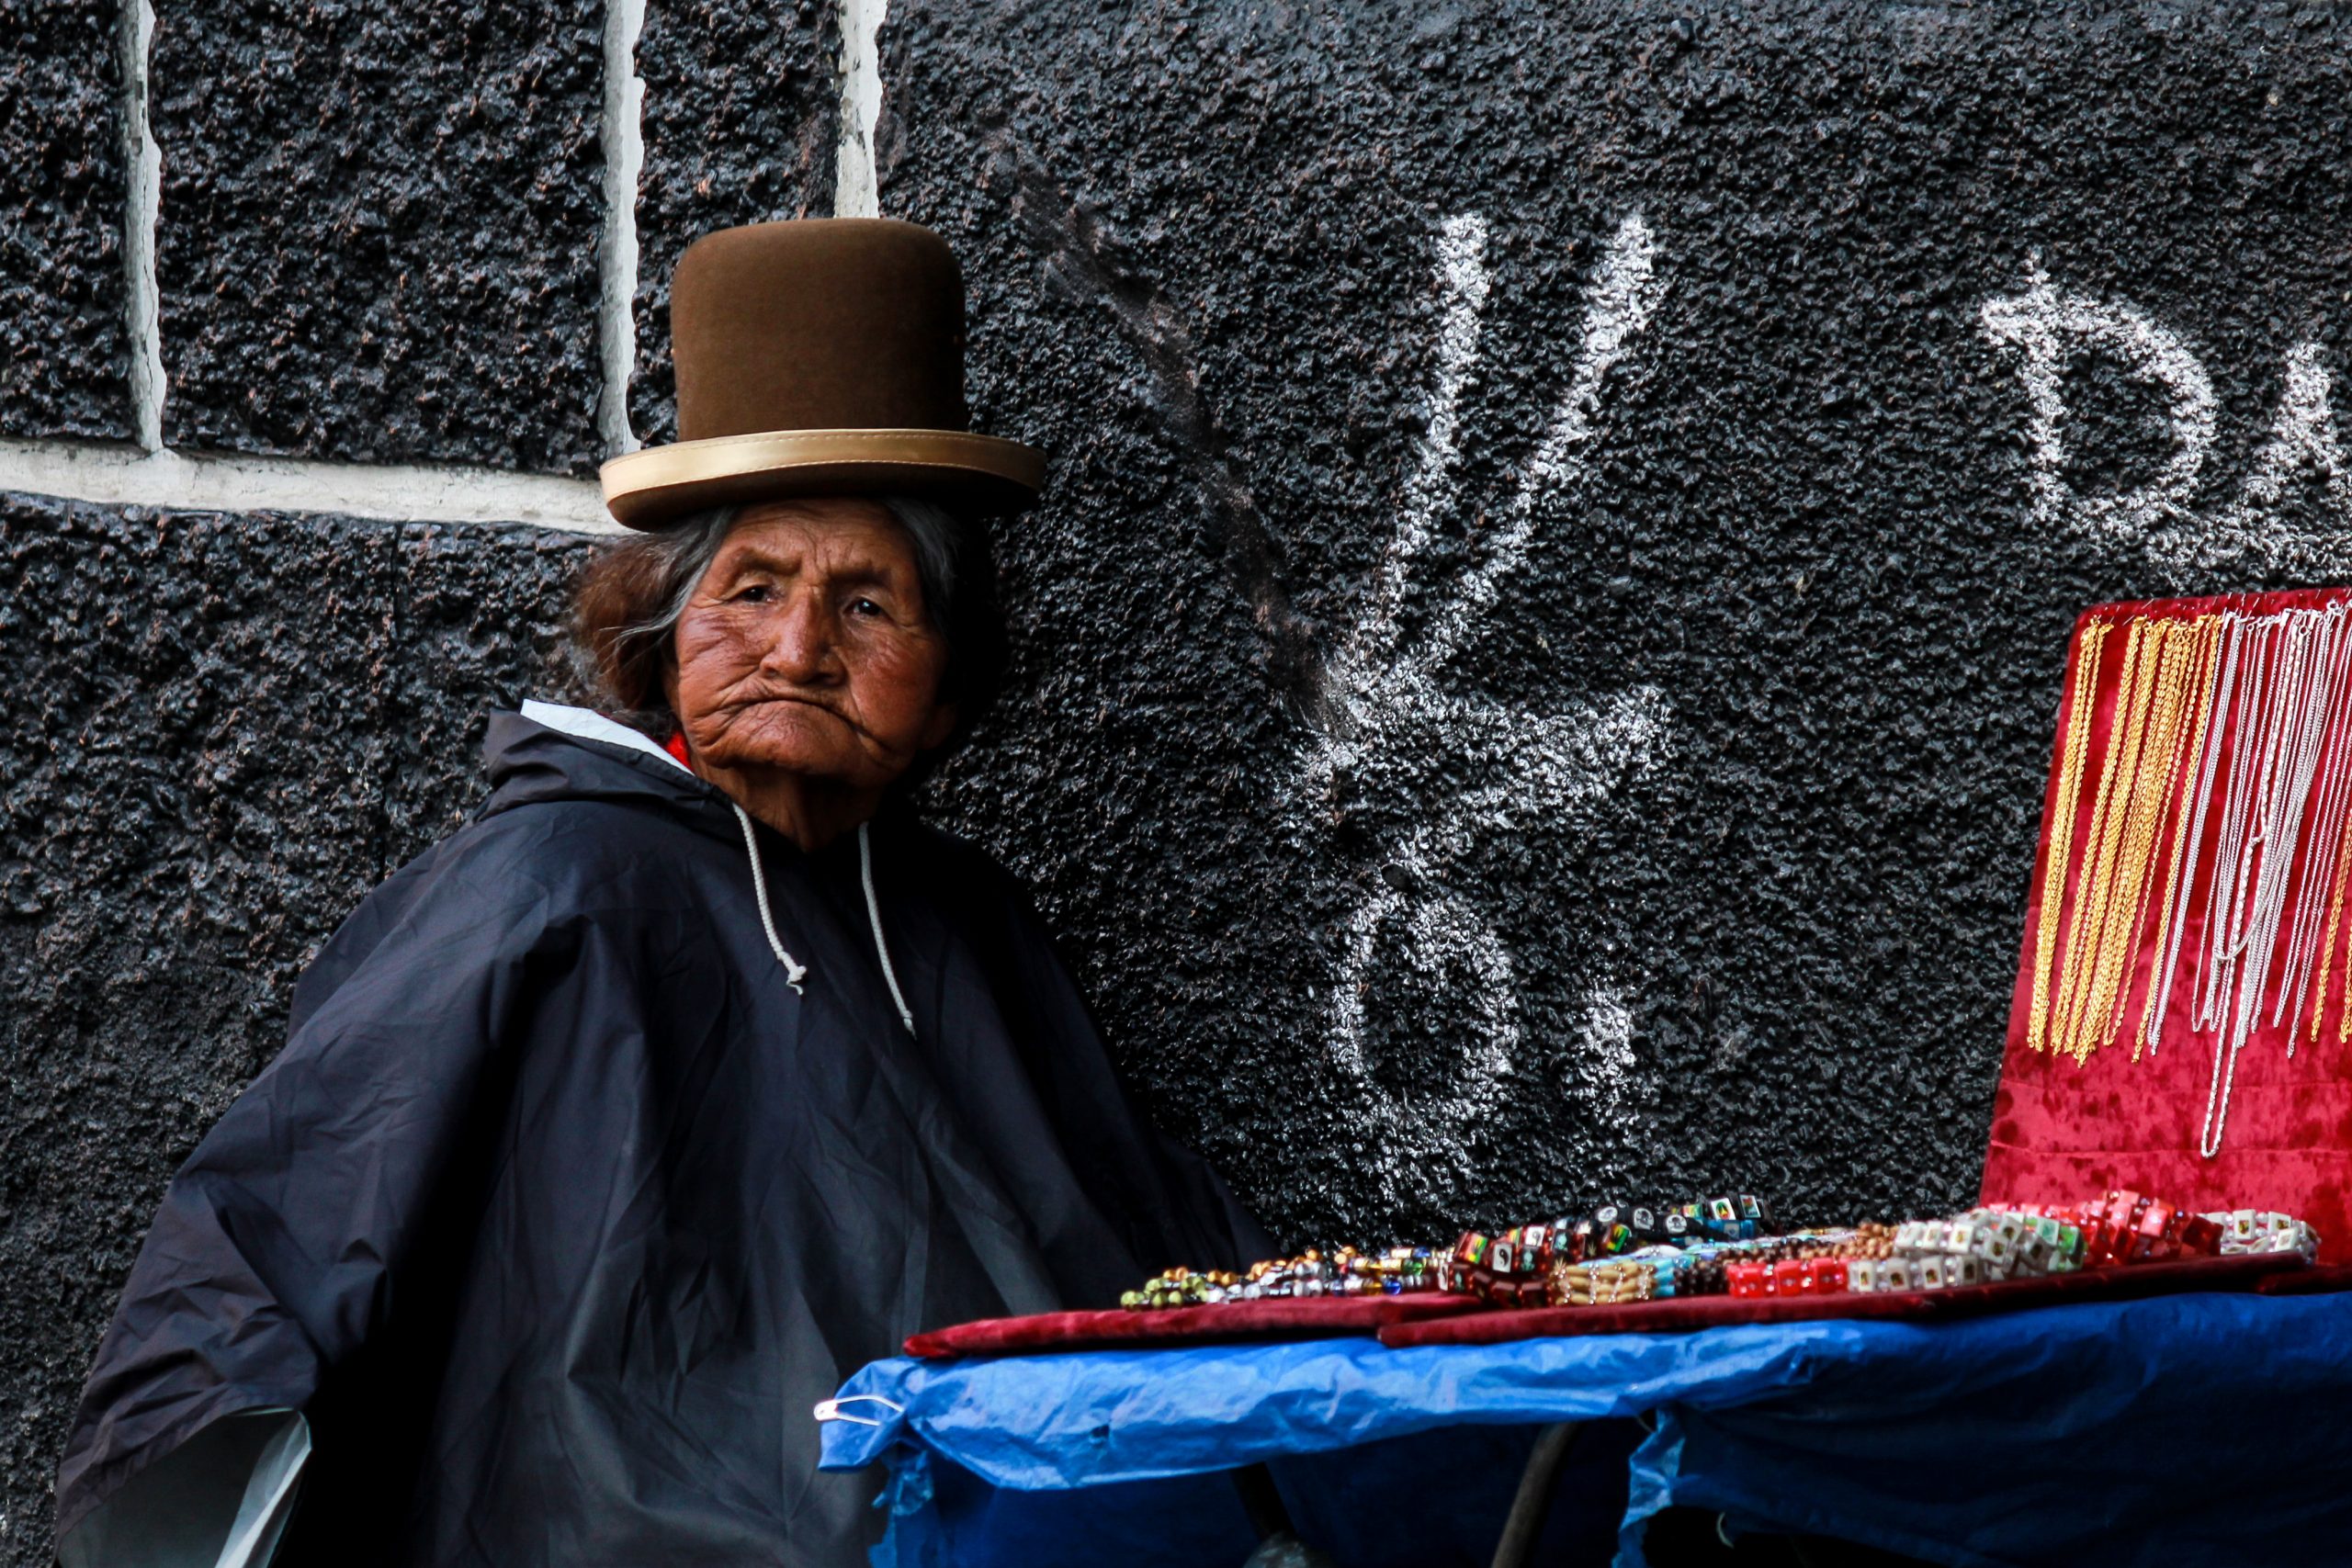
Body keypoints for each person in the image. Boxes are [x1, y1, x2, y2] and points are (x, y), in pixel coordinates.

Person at [54, 219, 1272, 1567]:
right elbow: (262, 1256)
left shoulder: (971, 928)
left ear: (948, 688)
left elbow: (1162, 1275)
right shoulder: (545, 890)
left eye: (869, 605)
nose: (799, 648)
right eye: (749, 590)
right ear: (662, 636)